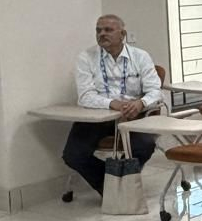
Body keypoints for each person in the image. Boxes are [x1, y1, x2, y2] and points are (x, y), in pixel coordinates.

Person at [64, 14, 163, 196]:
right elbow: (85, 96)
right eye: (98, 30)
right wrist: (112, 103)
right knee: (73, 154)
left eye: (108, 30)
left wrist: (140, 103)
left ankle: (119, 186)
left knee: (144, 146)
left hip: (133, 116)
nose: (102, 34)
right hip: (98, 117)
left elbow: (156, 91)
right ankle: (110, 186)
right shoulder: (86, 58)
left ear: (122, 34)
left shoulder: (140, 56)